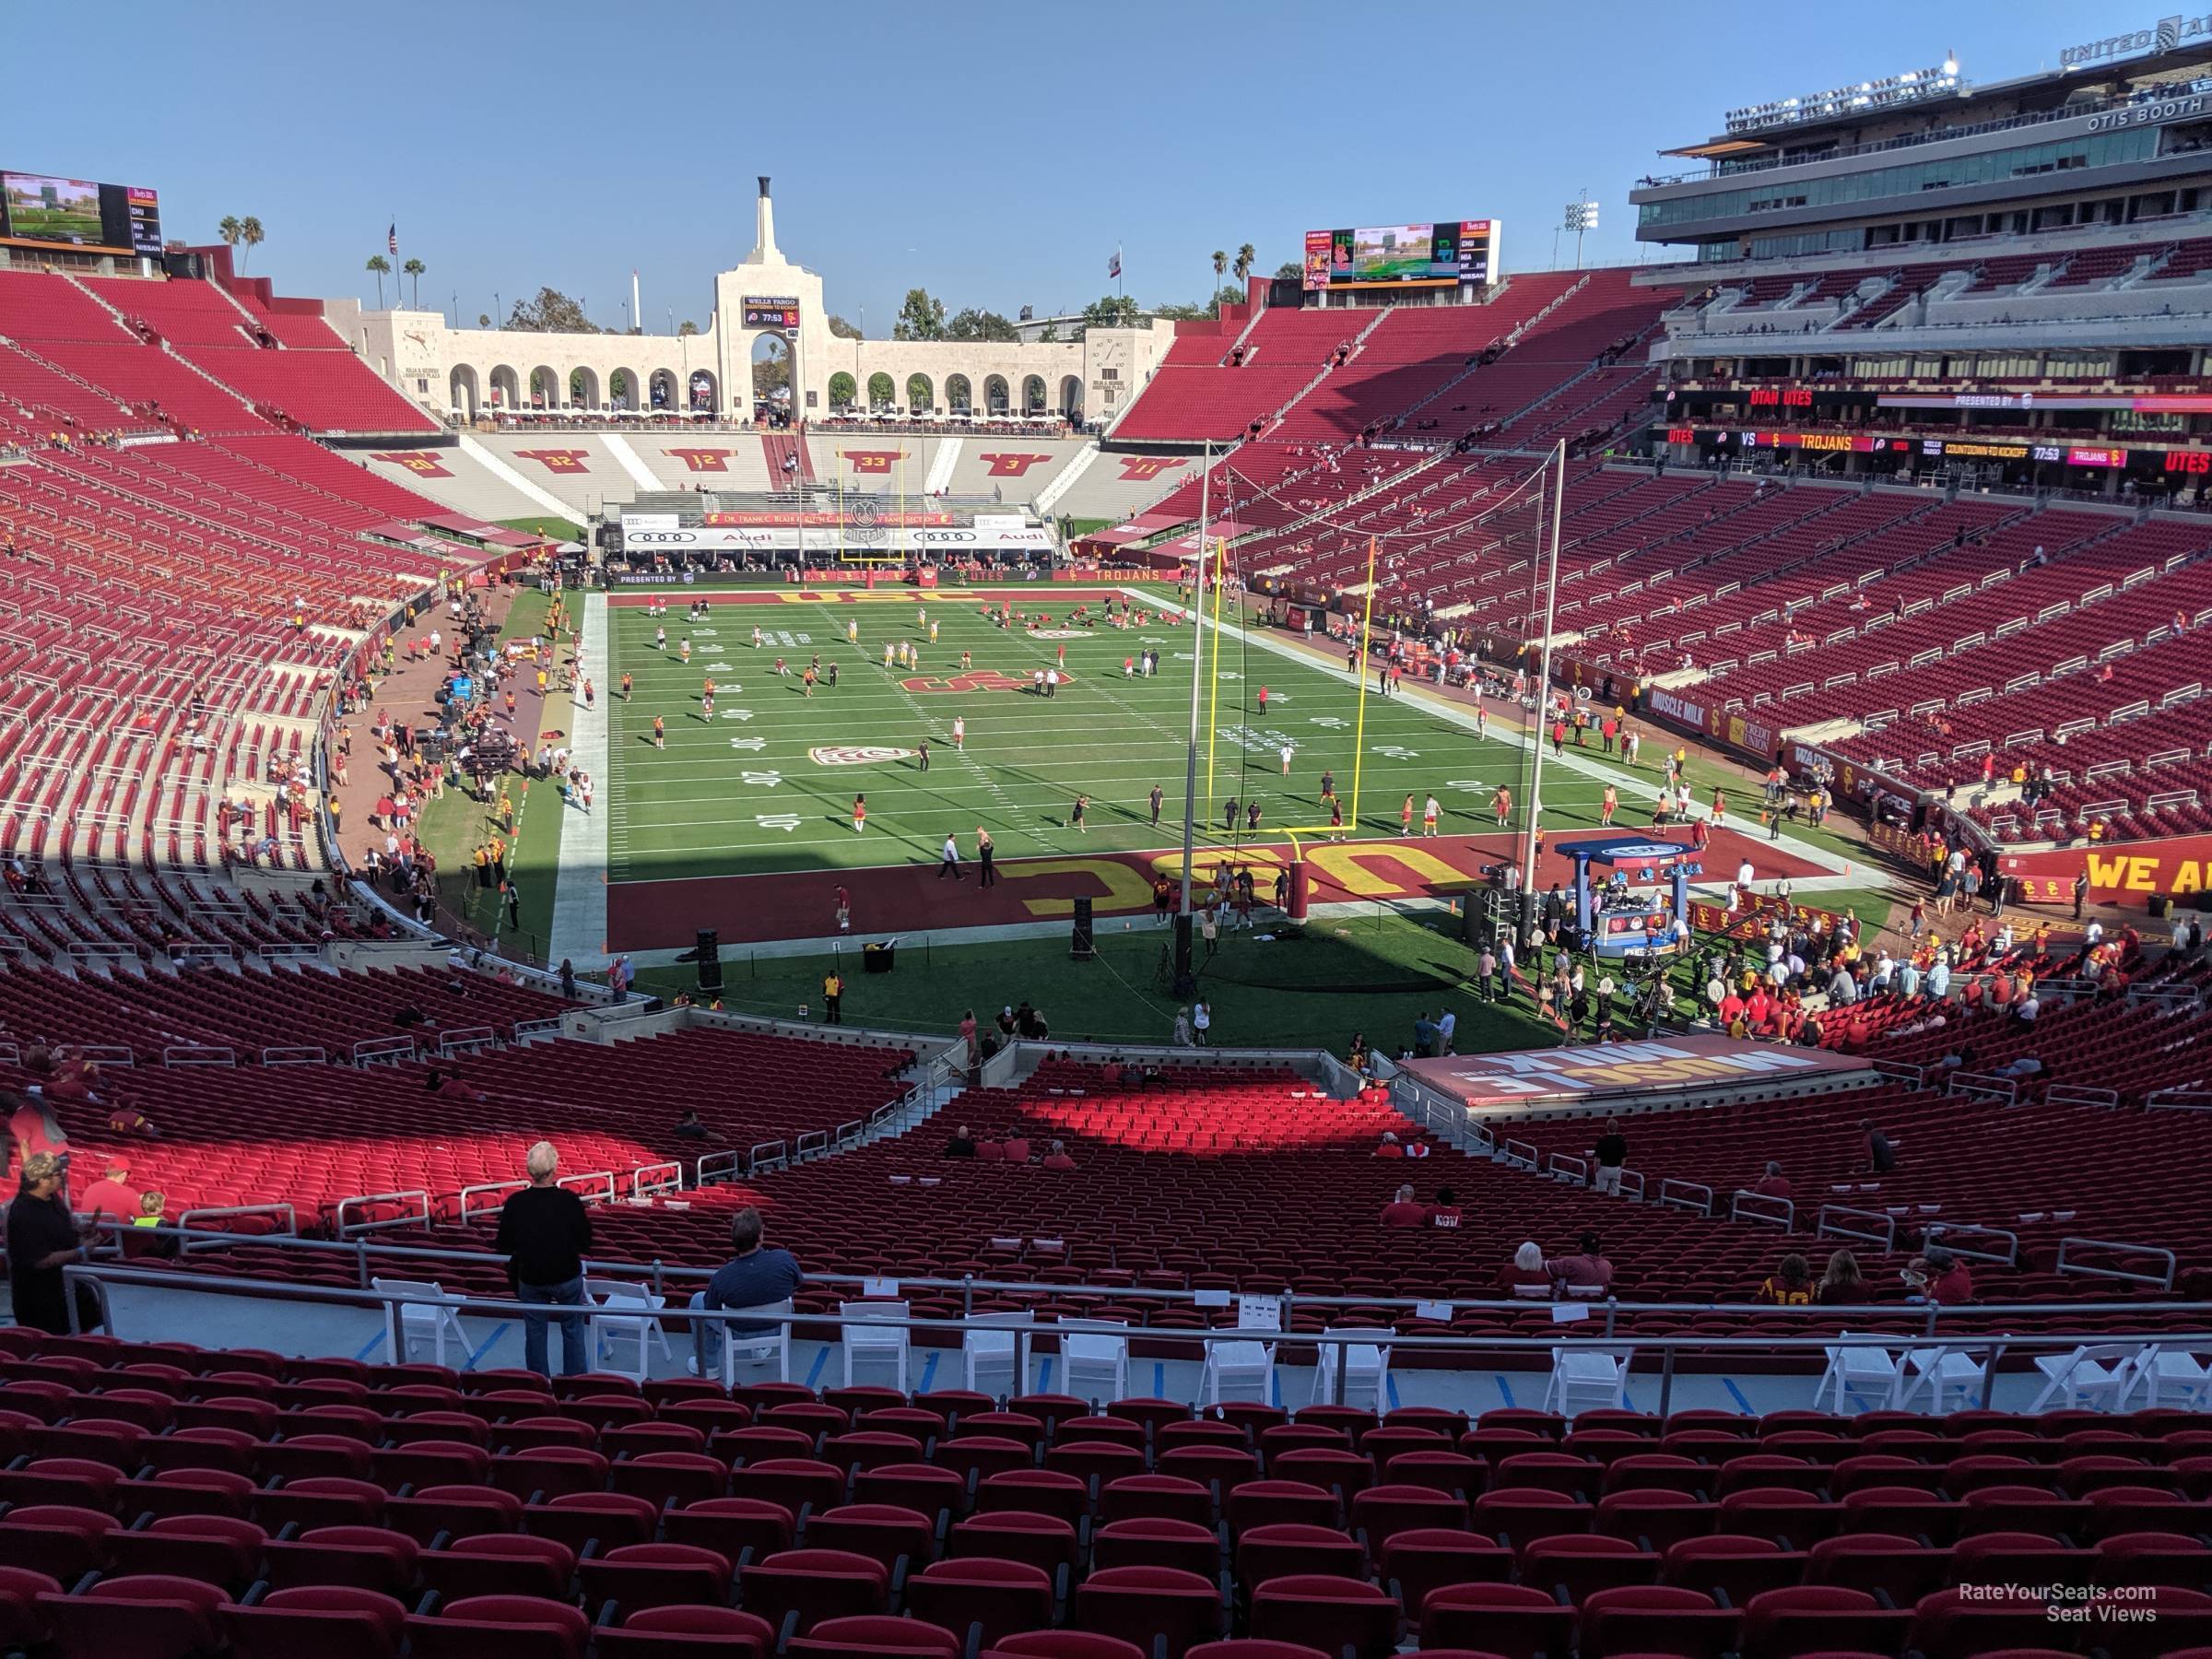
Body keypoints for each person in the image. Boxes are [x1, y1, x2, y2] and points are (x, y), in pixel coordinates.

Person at [494, 1142, 594, 1378]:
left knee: (535, 1332)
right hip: (566, 1274)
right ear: (553, 1168)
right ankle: (576, 1382)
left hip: (531, 1276)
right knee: (573, 1328)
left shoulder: (516, 1202)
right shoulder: (569, 1200)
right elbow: (586, 1241)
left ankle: (538, 1382)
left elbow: (504, 1245)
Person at [687, 1206, 805, 1376]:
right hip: (776, 1326)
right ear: (760, 1236)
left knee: (698, 1301)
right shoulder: (784, 1259)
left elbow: (711, 1309)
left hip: (739, 1330)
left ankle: (709, 1366)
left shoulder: (722, 1277)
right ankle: (761, 1348)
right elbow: (798, 1282)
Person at [7, 1152, 98, 1335]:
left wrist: (79, 1229)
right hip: (41, 1300)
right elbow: (41, 1260)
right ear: (42, 1180)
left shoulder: (51, 1197)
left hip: (68, 1287)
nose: (62, 1176)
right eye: (58, 1173)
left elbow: (64, 1219)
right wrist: (82, 1249)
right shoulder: (24, 1214)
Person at [1547, 1230, 1614, 1294]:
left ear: (1580, 1246)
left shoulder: (1569, 1262)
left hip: (1572, 1304)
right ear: (1600, 1247)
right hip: (1598, 1304)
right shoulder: (1608, 1265)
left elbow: (1544, 1265)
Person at [1904, 1244, 1973, 1305]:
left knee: (1909, 1300)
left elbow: (1932, 1304)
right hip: (1947, 1296)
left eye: (1928, 1266)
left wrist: (1921, 1287)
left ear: (1938, 1270)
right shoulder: (1960, 1266)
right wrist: (1923, 1260)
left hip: (1945, 1309)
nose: (1926, 1266)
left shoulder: (1946, 1287)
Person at [1592, 1119, 1628, 1195]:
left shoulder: (1602, 1141)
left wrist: (1596, 1169)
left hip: (1604, 1168)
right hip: (1616, 1169)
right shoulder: (1621, 1141)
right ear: (1617, 1128)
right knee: (1615, 1192)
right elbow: (1624, 1158)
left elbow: (1597, 1159)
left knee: (1601, 1192)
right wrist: (1620, 1168)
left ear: (1606, 1128)